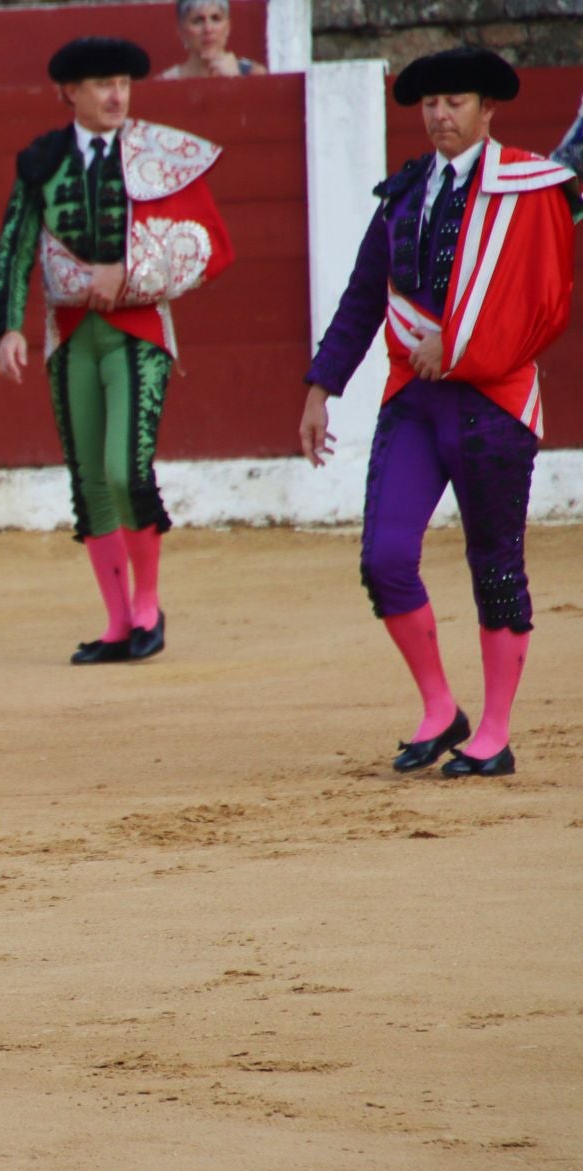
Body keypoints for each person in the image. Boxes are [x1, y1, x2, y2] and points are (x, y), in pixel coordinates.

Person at [299, 47, 577, 778]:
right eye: (430, 103)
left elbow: (544, 302)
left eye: (455, 102)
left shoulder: (527, 189)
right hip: (414, 403)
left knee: (495, 567)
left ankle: (494, 731)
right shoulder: (404, 193)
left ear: (489, 110)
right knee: (384, 559)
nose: (440, 115)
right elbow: (364, 297)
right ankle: (439, 708)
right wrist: (321, 386)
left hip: (492, 402)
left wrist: (460, 348)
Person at [0, 36, 233, 664]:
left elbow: (197, 242)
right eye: (103, 84)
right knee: (90, 482)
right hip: (70, 337)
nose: (117, 96)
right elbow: (16, 243)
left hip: (138, 331)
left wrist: (128, 272)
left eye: (123, 83)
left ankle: (148, 608)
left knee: (126, 470)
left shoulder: (154, 153)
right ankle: (119, 624)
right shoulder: (42, 160)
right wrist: (7, 328)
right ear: (70, 92)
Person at [158, 0, 265, 80]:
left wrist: (236, 80)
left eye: (216, 18)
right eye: (198, 21)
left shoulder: (255, 74)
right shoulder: (164, 83)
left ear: (228, 27)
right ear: (181, 31)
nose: (208, 29)